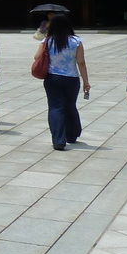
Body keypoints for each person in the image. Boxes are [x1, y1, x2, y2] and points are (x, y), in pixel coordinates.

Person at [36, 14, 90, 151]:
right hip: (71, 79)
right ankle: (72, 135)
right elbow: (81, 62)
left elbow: (36, 57)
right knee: (70, 106)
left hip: (52, 78)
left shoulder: (47, 41)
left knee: (55, 108)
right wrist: (86, 81)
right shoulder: (76, 41)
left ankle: (58, 140)